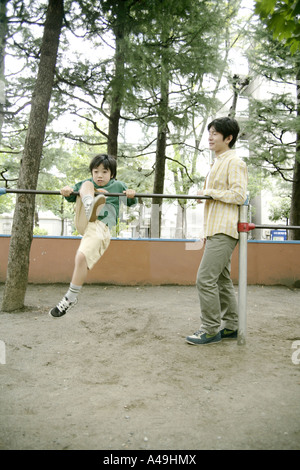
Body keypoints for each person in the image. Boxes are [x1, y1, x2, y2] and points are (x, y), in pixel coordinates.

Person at [49, 153, 137, 318]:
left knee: (81, 258)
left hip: (101, 225)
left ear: (111, 174)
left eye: (104, 172)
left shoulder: (118, 186)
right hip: (85, 220)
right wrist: (67, 190)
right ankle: (91, 203)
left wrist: (131, 194)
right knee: (86, 186)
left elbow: (131, 202)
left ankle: (70, 298)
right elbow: (69, 194)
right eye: (96, 171)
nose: (99, 175)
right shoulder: (87, 182)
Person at [186, 116, 248, 345]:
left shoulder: (235, 162)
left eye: (215, 133)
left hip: (225, 229)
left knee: (205, 279)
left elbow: (239, 195)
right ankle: (231, 326)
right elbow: (220, 194)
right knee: (221, 280)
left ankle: (210, 329)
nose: (210, 137)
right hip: (215, 228)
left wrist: (211, 193)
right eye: (209, 132)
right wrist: (209, 195)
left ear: (228, 138)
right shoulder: (217, 163)